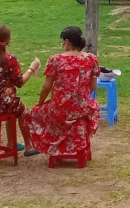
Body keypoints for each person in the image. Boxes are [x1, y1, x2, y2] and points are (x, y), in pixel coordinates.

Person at [23, 26, 100, 159]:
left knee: (31, 115)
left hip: (60, 109)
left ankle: (49, 145)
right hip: (82, 108)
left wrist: (40, 103)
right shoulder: (91, 59)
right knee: (87, 107)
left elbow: (46, 87)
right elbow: (92, 86)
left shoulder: (56, 60)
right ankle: (77, 145)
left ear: (67, 42)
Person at [0, 25, 41, 155]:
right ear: (9, 40)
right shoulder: (10, 59)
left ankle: (11, 143)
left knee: (13, 106)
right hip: (5, 104)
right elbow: (19, 82)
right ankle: (29, 146)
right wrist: (31, 69)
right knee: (21, 110)